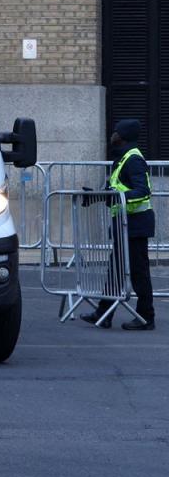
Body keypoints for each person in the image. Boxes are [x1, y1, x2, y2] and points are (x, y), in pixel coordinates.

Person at [81, 119, 156, 331]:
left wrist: (119, 197)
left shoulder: (133, 160)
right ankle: (104, 314)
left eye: (116, 131)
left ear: (123, 135)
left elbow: (143, 191)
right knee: (115, 270)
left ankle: (145, 317)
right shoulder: (121, 159)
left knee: (139, 272)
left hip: (135, 224)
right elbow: (112, 191)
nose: (112, 134)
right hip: (123, 225)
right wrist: (93, 197)